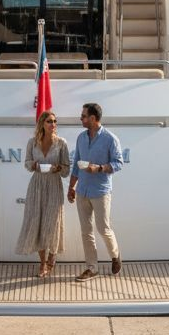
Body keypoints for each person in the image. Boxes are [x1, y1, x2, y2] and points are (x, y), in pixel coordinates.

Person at [68, 102, 122, 282]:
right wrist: (71, 187)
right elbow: (77, 162)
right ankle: (92, 268)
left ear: (93, 118)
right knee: (86, 231)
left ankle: (115, 255)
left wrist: (99, 168)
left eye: (83, 116)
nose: (81, 119)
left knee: (103, 229)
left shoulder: (110, 139)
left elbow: (118, 163)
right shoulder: (80, 138)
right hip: (82, 190)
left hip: (100, 192)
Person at [15, 110, 70, 278]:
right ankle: (42, 263)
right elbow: (26, 163)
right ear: (42, 124)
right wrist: (34, 165)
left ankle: (52, 256)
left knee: (52, 223)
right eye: (49, 121)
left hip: (54, 185)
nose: (53, 124)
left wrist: (57, 168)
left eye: (55, 121)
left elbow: (66, 169)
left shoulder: (61, 143)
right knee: (37, 222)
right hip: (37, 184)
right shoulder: (32, 142)